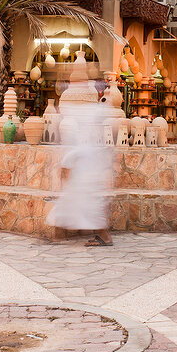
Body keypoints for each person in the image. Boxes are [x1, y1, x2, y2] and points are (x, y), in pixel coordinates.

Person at [47, 97, 114, 247]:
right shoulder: (84, 140)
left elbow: (67, 166)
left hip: (86, 181)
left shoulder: (80, 142)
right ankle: (58, 236)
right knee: (74, 207)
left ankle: (104, 237)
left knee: (90, 209)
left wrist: (66, 180)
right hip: (85, 180)